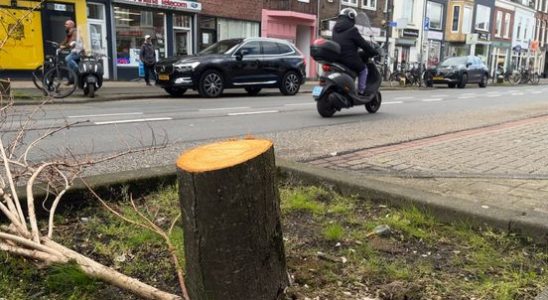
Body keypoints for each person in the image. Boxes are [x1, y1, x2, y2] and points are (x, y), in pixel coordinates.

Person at [332, 8, 377, 96]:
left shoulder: (335, 29)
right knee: (363, 69)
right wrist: (372, 51)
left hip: (337, 58)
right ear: (351, 17)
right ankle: (361, 92)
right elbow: (363, 44)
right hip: (349, 59)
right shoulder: (352, 30)